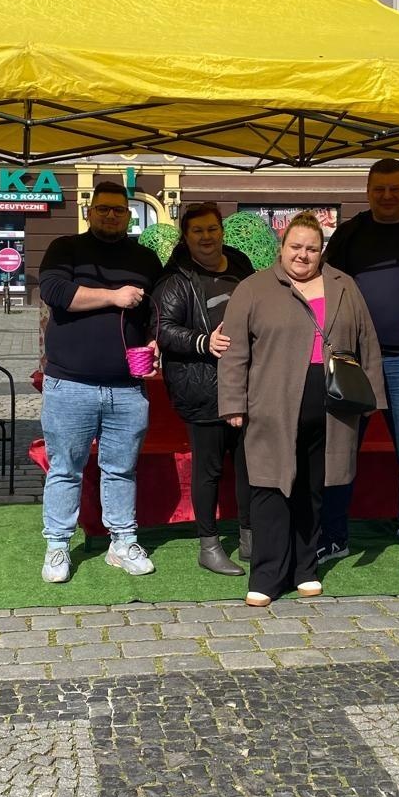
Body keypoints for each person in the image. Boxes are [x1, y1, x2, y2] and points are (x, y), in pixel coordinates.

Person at [219, 213, 385, 606]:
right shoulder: (254, 288)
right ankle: (267, 575)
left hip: (331, 407)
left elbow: (367, 343)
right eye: (296, 246)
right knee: (269, 488)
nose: (303, 255)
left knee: (314, 489)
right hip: (271, 406)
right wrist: (232, 403)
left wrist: (372, 399)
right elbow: (234, 352)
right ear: (282, 247)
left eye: (312, 248)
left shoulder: (344, 286)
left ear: (321, 250)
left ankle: (305, 568)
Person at [319, 158, 399, 576]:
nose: (388, 196)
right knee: (340, 452)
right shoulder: (349, 234)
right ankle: (334, 536)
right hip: (352, 361)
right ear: (368, 190)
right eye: (380, 189)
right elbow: (321, 283)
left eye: (396, 189)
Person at [35, 180, 163, 583]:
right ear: (90, 211)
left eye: (119, 210)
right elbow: (56, 292)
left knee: (121, 469)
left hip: (127, 387)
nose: (111, 215)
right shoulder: (65, 248)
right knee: (65, 468)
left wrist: (156, 339)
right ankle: (57, 546)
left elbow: (158, 308)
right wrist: (113, 296)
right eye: (103, 208)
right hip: (70, 384)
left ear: (130, 215)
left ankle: (122, 541)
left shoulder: (144, 258)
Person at [154, 203, 256, 575]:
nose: (207, 237)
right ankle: (209, 545)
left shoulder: (242, 266)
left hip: (247, 382)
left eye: (212, 229)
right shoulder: (176, 279)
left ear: (222, 231)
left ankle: (250, 538)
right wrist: (203, 343)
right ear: (186, 237)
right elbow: (163, 329)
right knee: (209, 469)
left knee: (249, 465)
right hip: (202, 386)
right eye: (197, 231)